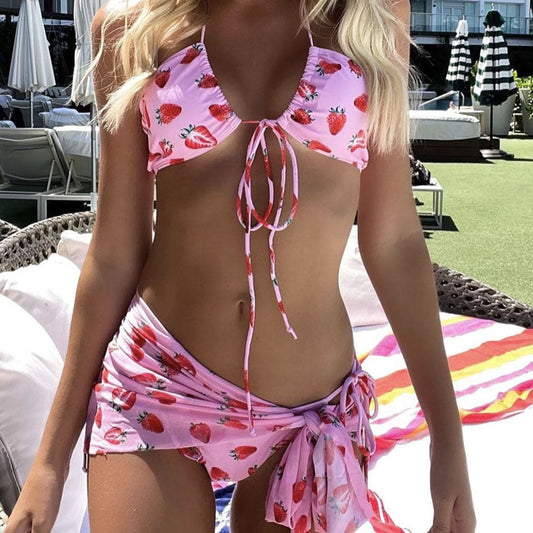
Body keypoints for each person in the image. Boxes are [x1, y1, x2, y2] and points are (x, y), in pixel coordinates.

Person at [5, 0, 476, 532]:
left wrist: (447, 439)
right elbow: (115, 253)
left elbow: (393, 242)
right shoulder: (130, 28)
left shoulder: (370, 16)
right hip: (158, 384)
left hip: (309, 416)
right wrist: (50, 460)